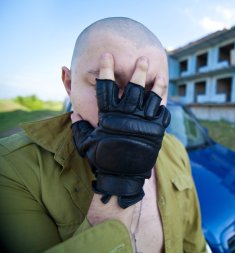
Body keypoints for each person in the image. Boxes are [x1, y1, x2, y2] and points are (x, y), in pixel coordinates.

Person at [0, 17, 206, 253]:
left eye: (149, 89)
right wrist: (118, 183)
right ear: (69, 84)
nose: (128, 110)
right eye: (104, 83)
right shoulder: (11, 168)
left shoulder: (175, 150)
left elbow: (194, 244)